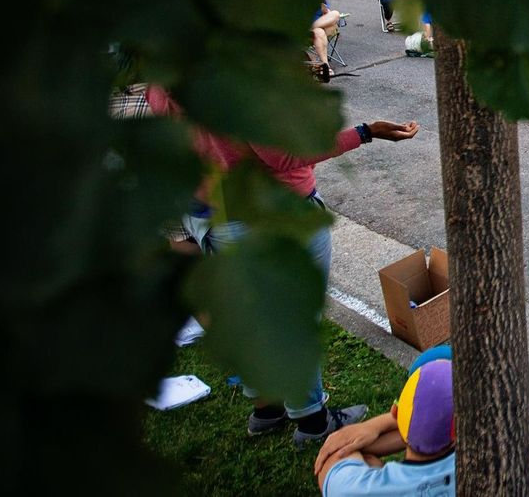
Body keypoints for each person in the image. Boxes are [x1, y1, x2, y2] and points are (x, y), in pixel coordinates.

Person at [146, 87, 420, 446]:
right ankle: (313, 421)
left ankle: (267, 411)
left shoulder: (163, 80)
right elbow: (284, 154)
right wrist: (366, 132)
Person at [314, 359, 455, 496]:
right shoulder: (466, 468)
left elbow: (334, 457)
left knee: (368, 460)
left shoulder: (353, 490)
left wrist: (374, 426)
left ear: (395, 411)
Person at [311, 0, 343, 78]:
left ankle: (325, 66)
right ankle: (325, 66)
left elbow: (327, 12)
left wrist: (323, 7)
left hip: (317, 26)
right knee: (319, 32)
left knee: (335, 14)